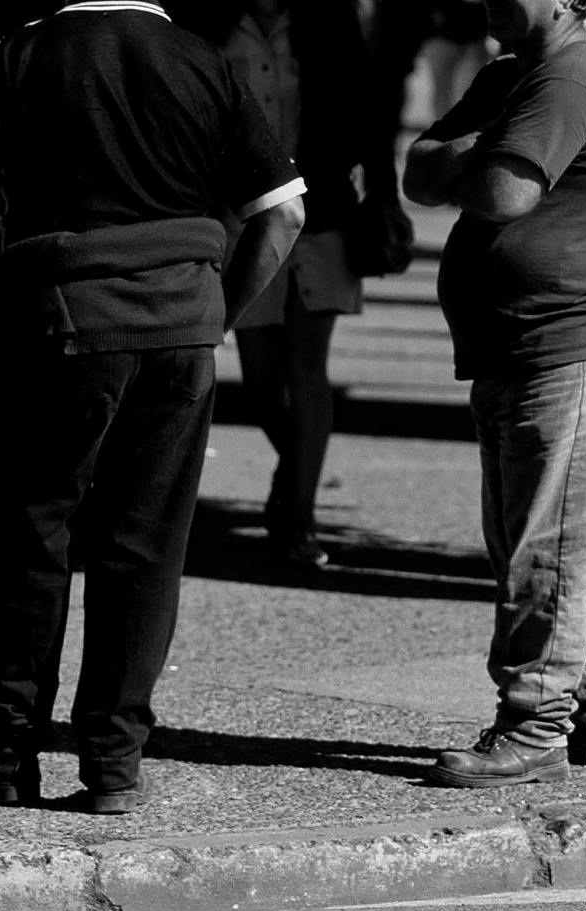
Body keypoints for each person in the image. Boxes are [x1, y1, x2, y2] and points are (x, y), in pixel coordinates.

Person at [0, 0, 306, 813]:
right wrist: (220, 316)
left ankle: (7, 750)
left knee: (36, 533)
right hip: (181, 334)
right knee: (145, 546)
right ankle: (113, 765)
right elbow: (284, 212)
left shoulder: (23, 52)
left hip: (63, 330)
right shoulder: (206, 58)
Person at [403, 0, 586, 787]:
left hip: (568, 354)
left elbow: (503, 194)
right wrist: (484, 144)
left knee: (543, 553)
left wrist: (470, 156)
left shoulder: (572, 79)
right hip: (516, 352)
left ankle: (537, 727)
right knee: (544, 547)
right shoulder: (513, 76)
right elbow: (419, 171)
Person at [178, 0, 409, 568]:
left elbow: (367, 105)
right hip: (241, 214)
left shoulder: (326, 18)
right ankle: (295, 472)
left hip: (323, 208)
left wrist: (383, 192)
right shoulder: (208, 18)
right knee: (259, 380)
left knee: (308, 366)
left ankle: (297, 517)